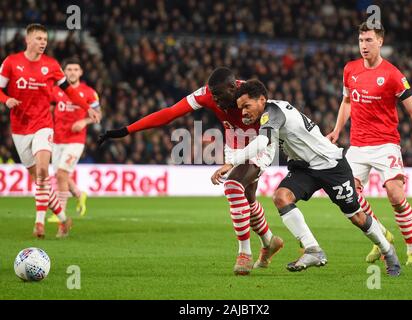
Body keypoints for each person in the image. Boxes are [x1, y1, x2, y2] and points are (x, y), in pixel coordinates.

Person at [98, 67, 283, 275]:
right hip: (234, 146)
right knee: (247, 198)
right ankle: (269, 241)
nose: (216, 101)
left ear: (233, 88)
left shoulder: (250, 93)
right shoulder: (206, 95)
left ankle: (244, 254)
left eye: (220, 96)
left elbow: (276, 115)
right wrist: (125, 130)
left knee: (233, 187)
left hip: (260, 144)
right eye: (213, 96)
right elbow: (169, 114)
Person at [212, 79, 401, 276]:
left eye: (246, 106)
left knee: (356, 216)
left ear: (261, 100)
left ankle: (388, 252)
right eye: (240, 108)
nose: (243, 112)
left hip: (331, 166)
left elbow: (262, 142)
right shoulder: (269, 115)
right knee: (281, 197)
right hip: (304, 168)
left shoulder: (273, 111)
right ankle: (313, 250)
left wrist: (231, 163)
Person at [326, 22, 412, 266]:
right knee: (348, 196)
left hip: (386, 144)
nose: (364, 46)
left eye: (369, 41)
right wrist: (336, 130)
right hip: (357, 145)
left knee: (396, 195)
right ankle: (381, 237)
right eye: (361, 41)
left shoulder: (393, 75)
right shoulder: (350, 70)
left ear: (380, 42)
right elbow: (347, 103)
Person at [0, 24, 100, 238]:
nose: (43, 42)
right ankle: (64, 219)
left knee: (45, 171)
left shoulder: (52, 65)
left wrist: (87, 109)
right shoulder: (11, 62)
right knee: (40, 180)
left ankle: (39, 223)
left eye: (45, 39)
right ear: (28, 40)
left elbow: (70, 92)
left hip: (43, 125)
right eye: (38, 38)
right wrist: (6, 99)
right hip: (19, 128)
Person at [47, 58, 101, 223]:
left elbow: (98, 115)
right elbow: (49, 109)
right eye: (69, 69)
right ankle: (79, 194)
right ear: (64, 72)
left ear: (81, 72)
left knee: (62, 173)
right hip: (57, 139)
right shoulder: (56, 91)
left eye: (75, 69)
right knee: (60, 175)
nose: (72, 72)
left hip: (76, 140)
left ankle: (60, 212)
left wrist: (84, 121)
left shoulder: (89, 92)